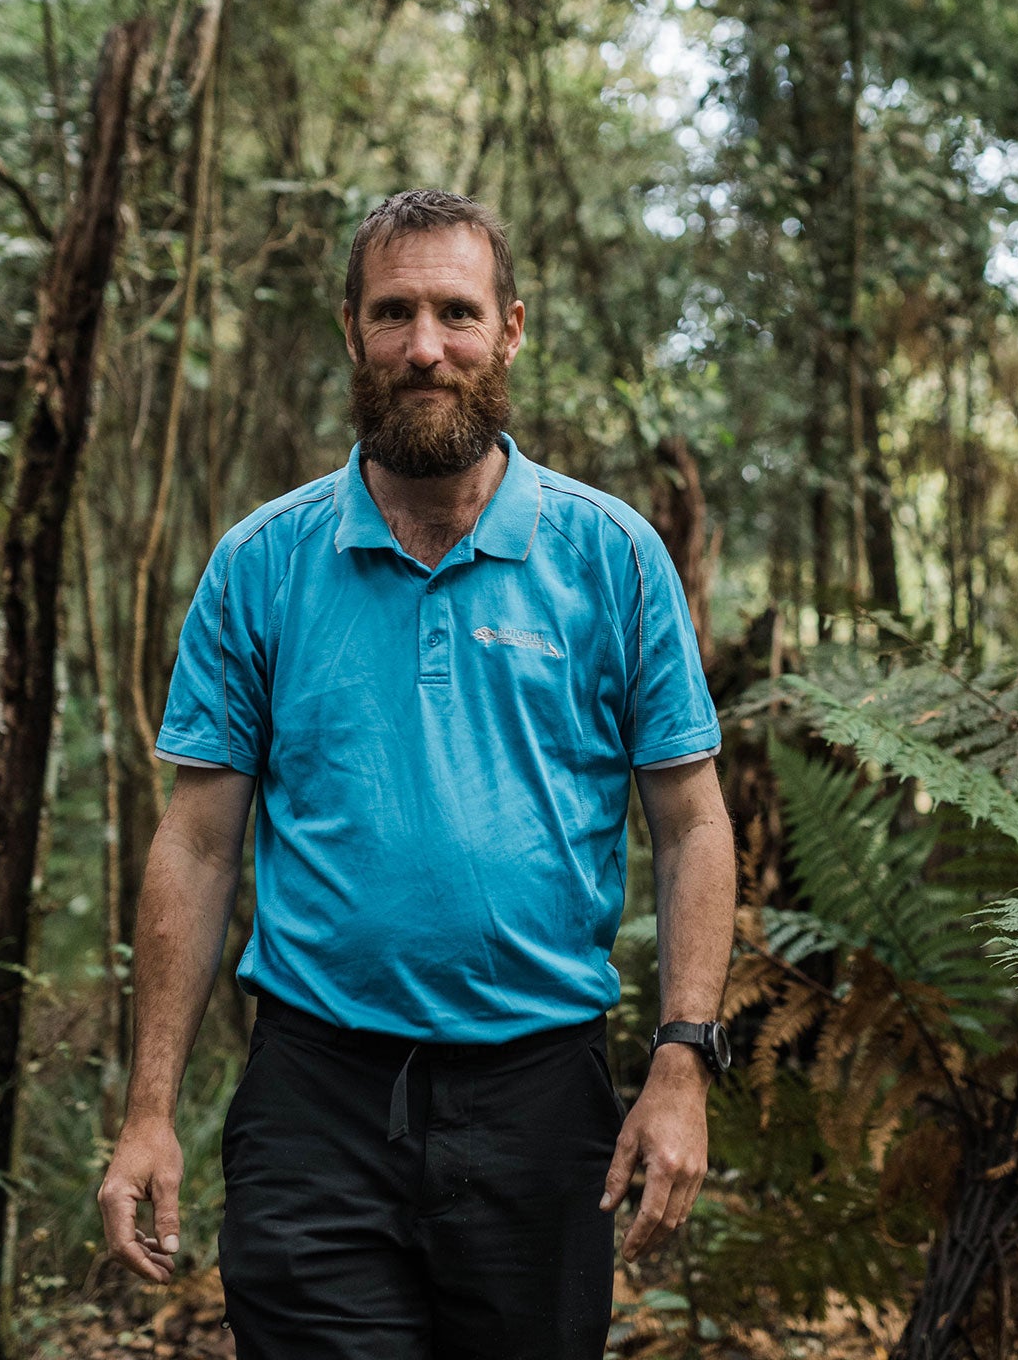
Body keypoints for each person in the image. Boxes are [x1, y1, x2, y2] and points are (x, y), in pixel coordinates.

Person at [96, 189, 738, 1360]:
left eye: (456, 311)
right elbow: (194, 845)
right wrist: (148, 1112)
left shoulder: (612, 556)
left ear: (512, 329)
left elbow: (692, 824)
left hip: (543, 1097)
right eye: (394, 313)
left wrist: (682, 1062)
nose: (425, 347)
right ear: (351, 330)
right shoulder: (262, 562)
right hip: (313, 1102)